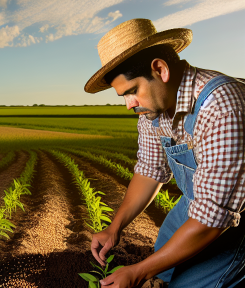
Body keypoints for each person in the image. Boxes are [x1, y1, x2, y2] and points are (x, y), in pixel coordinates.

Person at [84, 18, 245, 287]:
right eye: (123, 96)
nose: (128, 105)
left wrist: (137, 272)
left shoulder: (221, 108)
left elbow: (212, 219)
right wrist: (114, 228)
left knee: (184, 282)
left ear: (160, 69)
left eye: (132, 91)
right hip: (200, 202)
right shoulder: (152, 110)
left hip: (233, 216)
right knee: (164, 266)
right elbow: (150, 170)